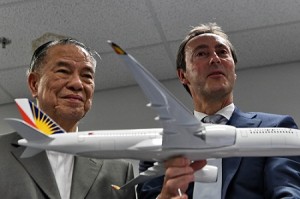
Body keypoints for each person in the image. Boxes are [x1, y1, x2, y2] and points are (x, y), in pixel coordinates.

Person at [137, 23, 300, 199]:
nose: (215, 59)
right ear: (182, 75)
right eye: (201, 53)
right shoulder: (158, 147)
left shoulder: (276, 129)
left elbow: (288, 192)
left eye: (222, 52)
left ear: (233, 70)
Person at [0, 38, 136, 199]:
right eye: (63, 71)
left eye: (87, 76)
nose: (77, 84)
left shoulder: (119, 171)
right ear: (34, 84)